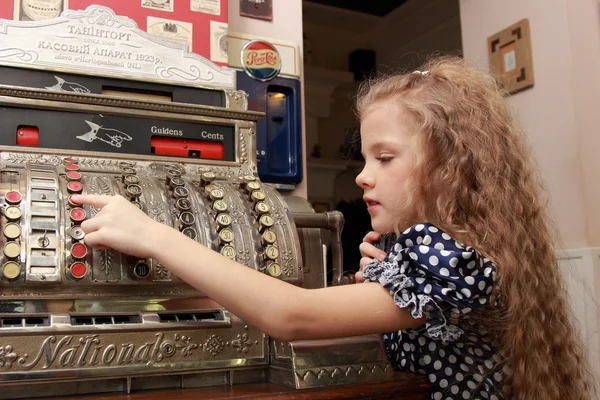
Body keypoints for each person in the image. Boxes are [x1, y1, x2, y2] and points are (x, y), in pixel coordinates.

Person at [72, 56, 595, 400]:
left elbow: (294, 316)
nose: (363, 176)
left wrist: (152, 235)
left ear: (452, 166)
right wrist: (384, 283)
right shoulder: (440, 250)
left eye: (386, 157)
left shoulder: (448, 257)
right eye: (365, 157)